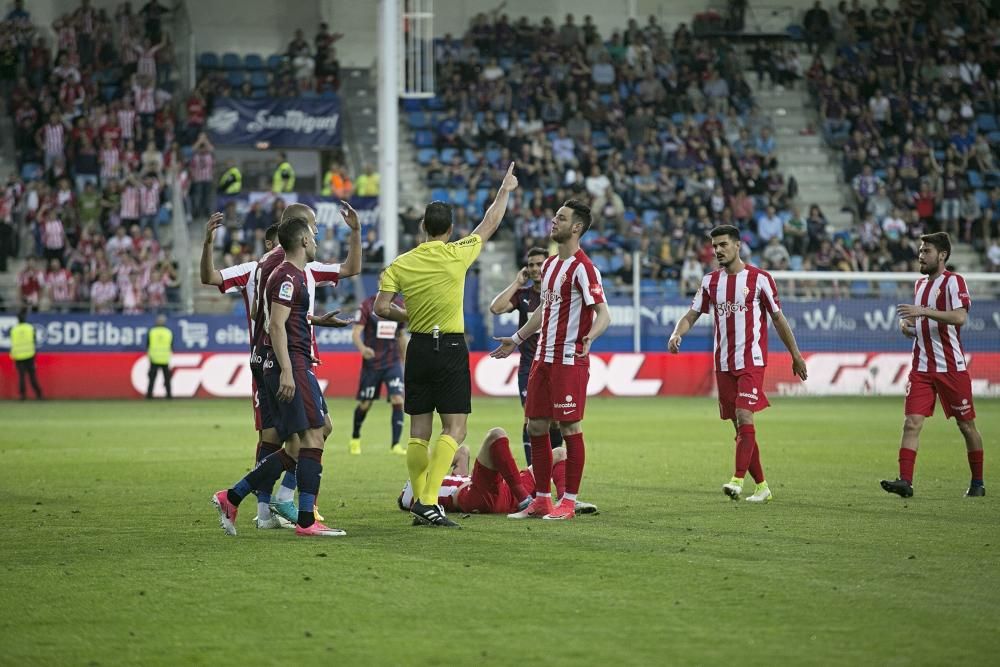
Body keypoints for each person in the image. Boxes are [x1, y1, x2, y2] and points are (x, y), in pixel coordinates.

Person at [374, 161, 519, 528]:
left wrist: (410, 317)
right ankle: (426, 501)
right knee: (455, 430)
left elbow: (380, 308)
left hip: (418, 348)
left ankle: (421, 499)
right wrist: (505, 191)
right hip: (450, 347)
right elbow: (489, 224)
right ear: (451, 230)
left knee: (418, 432)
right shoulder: (458, 253)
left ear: (422, 227)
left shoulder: (400, 264)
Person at [202, 203, 360, 528]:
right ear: (299, 231)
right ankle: (288, 510)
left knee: (299, 437)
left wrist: (313, 320)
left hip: (274, 359)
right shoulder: (288, 269)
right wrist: (287, 367)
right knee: (299, 436)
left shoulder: (266, 266)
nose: (316, 234)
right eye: (313, 227)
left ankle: (243, 499)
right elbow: (276, 322)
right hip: (286, 359)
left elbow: (280, 313)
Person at [667, 225, 808, 503]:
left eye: (723, 245)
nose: (718, 250)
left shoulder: (760, 279)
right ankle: (762, 487)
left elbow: (778, 319)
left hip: (751, 361)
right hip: (723, 364)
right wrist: (677, 333)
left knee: (745, 416)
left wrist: (796, 354)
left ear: (737, 245)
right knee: (740, 428)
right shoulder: (710, 282)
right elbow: (692, 314)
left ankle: (736, 480)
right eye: (714, 246)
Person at [491, 200, 611, 520]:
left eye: (561, 218)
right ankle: (542, 499)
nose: (553, 221)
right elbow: (545, 311)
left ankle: (569, 501)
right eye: (555, 216)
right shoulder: (550, 266)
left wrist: (591, 336)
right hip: (541, 358)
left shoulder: (585, 268)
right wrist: (516, 340)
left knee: (570, 428)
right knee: (536, 426)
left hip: (569, 359)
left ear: (576, 228)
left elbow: (603, 313)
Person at [881, 232, 985, 498]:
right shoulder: (919, 285)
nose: (921, 255)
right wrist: (910, 329)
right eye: (920, 250)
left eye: (926, 251)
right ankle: (905, 481)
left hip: (951, 368)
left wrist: (923, 312)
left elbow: (960, 318)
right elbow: (926, 326)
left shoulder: (954, 282)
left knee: (965, 425)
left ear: (942, 255)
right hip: (922, 368)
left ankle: (977, 483)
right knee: (911, 423)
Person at [396, 427, 599, 516]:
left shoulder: (439, 476)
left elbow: (462, 453)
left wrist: (441, 462)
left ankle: (564, 503)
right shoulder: (415, 492)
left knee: (559, 453)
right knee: (496, 434)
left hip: (502, 490)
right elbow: (412, 497)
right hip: (478, 495)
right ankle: (525, 501)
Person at [488, 246, 564, 464]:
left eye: (539, 264)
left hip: (555, 362)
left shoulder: (559, 294)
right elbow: (496, 308)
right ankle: (533, 471)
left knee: (555, 421)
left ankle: (555, 465)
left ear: (548, 266)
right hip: (529, 366)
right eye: (531, 265)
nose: (534, 269)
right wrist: (517, 283)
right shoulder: (523, 296)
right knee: (531, 418)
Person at [349, 280, 409, 456]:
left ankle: (396, 444)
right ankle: (355, 438)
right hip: (372, 363)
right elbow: (356, 333)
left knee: (398, 399)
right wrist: (363, 349)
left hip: (392, 362)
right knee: (365, 404)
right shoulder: (368, 305)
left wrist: (404, 360)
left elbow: (400, 335)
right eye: (383, 279)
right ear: (379, 282)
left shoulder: (399, 306)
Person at [9, 309, 43, 401]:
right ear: (25, 318)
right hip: (29, 355)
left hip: (18, 356)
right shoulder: (30, 328)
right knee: (32, 377)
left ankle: (22, 396)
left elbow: (12, 342)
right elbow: (35, 341)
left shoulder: (13, 330)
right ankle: (39, 395)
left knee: (21, 377)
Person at [145, 313, 172, 399]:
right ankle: (169, 395)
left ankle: (149, 395)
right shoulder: (168, 332)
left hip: (154, 358)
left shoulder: (152, 332)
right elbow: (171, 345)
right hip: (165, 358)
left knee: (152, 379)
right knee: (167, 379)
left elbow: (147, 345)